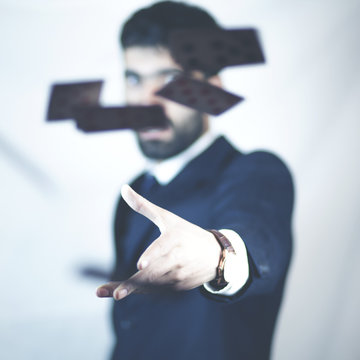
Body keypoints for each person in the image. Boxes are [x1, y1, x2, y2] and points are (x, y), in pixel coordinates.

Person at [96, 2, 294, 359]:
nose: (146, 100)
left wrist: (218, 255)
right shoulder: (132, 193)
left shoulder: (255, 172)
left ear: (211, 87)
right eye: (134, 78)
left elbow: (256, 235)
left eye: (169, 78)